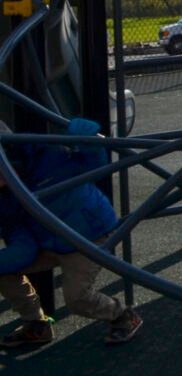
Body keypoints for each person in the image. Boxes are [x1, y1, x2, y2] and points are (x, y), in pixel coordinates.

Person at [0, 132, 143, 354]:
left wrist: (92, 141)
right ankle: (36, 323)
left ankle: (122, 314)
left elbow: (95, 166)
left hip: (85, 237)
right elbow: (20, 239)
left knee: (77, 299)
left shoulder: (47, 155)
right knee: (4, 270)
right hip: (46, 241)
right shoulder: (5, 195)